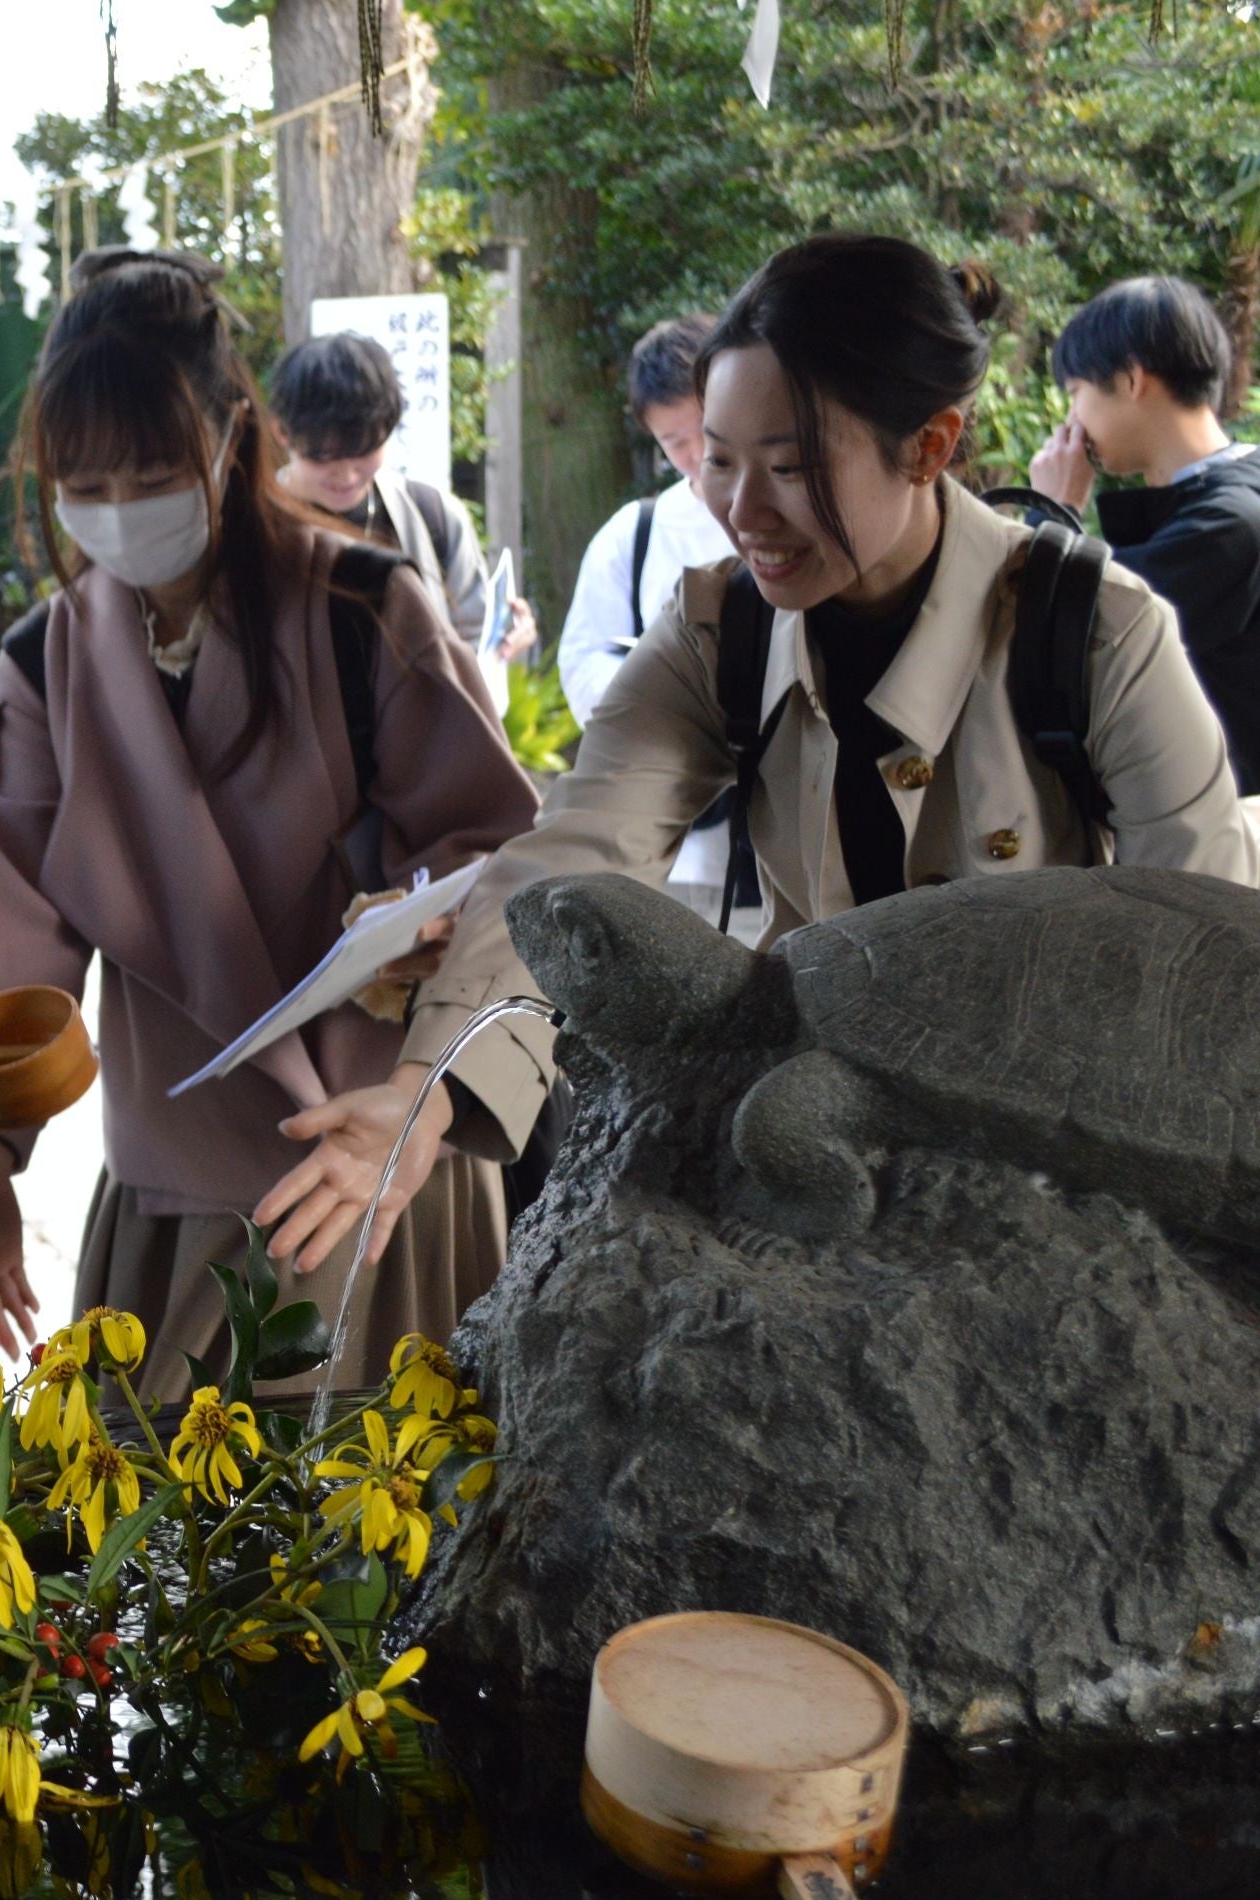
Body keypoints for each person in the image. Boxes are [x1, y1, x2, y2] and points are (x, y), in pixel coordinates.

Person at [256, 234, 1260, 1279]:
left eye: (787, 468)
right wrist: (425, 1085)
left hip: (1060, 1196)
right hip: (816, 1159)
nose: (739, 512)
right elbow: (574, 854)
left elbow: (1211, 959)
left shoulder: (1092, 633)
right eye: (717, 462)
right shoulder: (714, 633)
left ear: (928, 446)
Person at [0, 248, 543, 1397]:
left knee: (385, 1487)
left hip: (380, 1150)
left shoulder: (364, 609)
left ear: (229, 433)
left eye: (151, 472)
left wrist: (418, 931)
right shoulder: (45, 663)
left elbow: (502, 855)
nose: (119, 511)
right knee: (166, 1494)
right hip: (179, 1174)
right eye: (85, 482)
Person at [1029, 275, 1260, 791]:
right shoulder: (1227, 497)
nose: (1072, 420)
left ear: (1132, 379)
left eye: (1076, 393)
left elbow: (1069, 636)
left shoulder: (1230, 523)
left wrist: (1054, 510)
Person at [555, 314, 742, 901]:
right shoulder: (634, 534)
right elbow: (584, 659)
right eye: (673, 441)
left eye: (705, 430)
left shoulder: (796, 516)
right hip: (675, 849)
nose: (696, 453)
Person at [268, 330, 537, 704]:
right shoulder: (249, 527)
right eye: (323, 456)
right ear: (282, 432)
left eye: (364, 450)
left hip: (417, 735)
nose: (346, 474)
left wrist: (504, 636)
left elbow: (473, 640)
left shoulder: (433, 517)